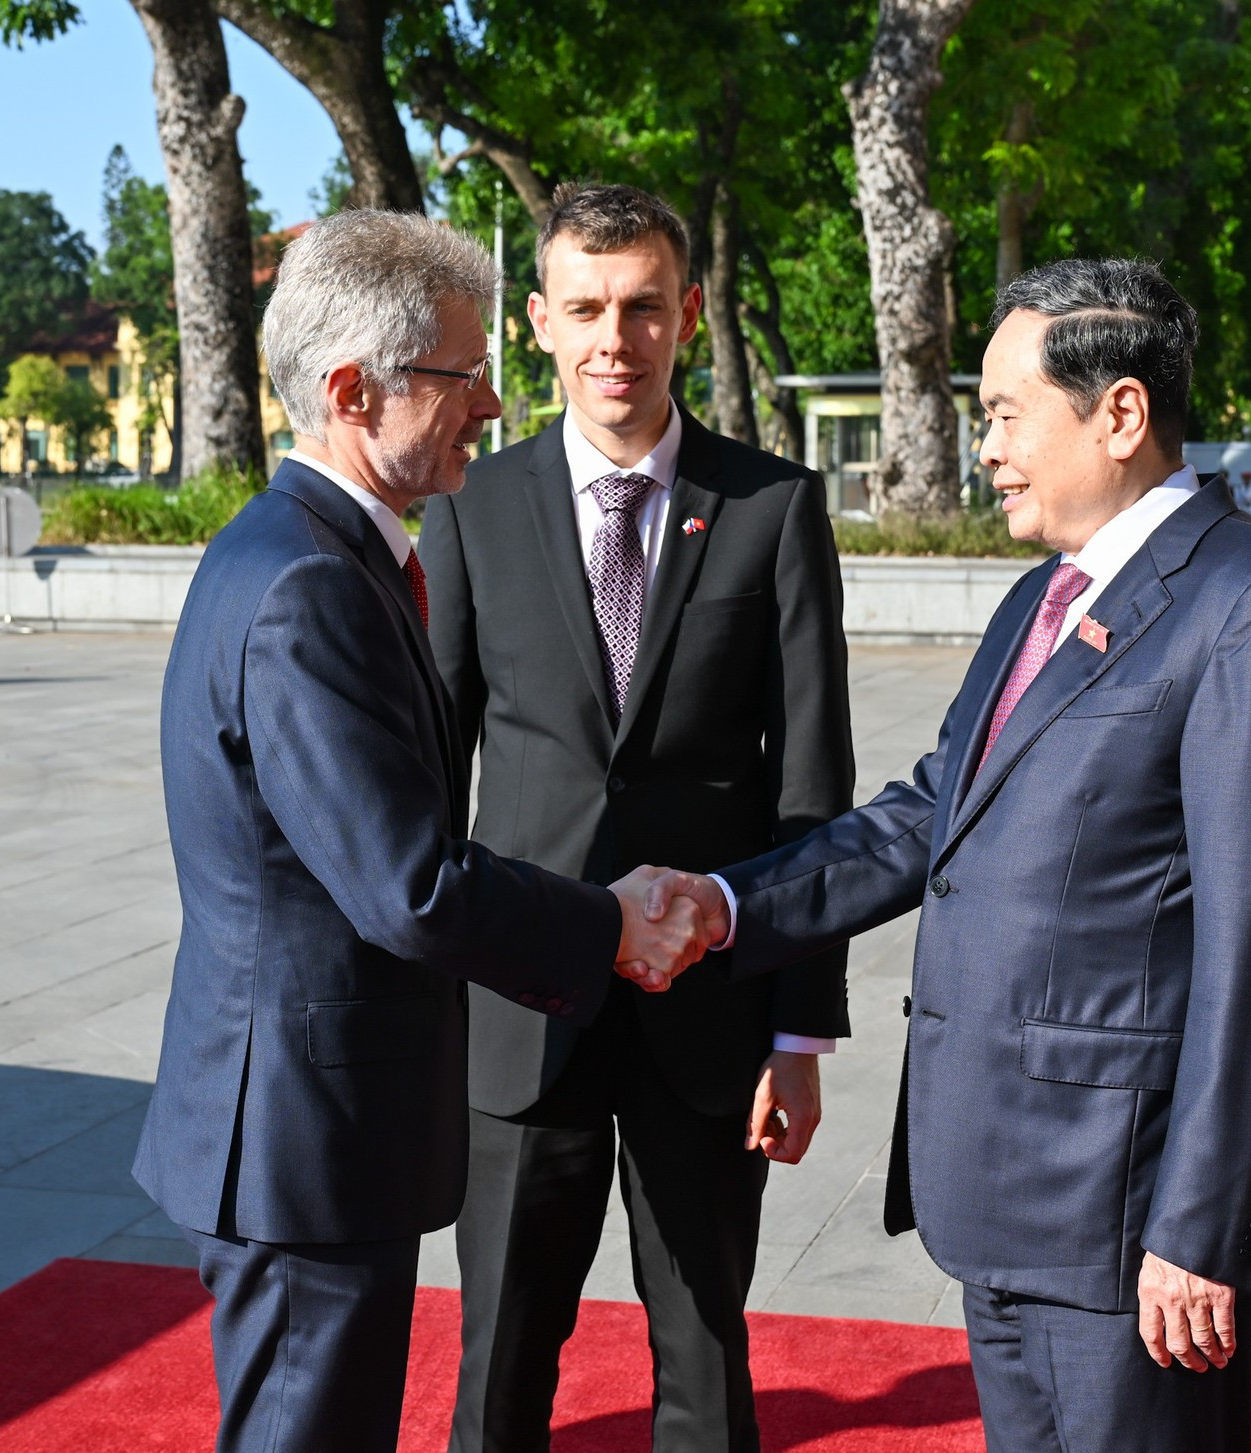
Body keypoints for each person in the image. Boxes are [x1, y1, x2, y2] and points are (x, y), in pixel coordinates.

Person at [645, 257, 1251, 1452]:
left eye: (1005, 414)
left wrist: (1204, 1222)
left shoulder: (1247, 599)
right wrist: (723, 903)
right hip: (1006, 1182)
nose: (987, 448)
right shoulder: (1041, 598)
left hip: (1126, 1213)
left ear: (1118, 412)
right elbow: (931, 814)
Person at [131, 210, 722, 1453]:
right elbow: (407, 884)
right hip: (302, 1138)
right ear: (355, 390)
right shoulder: (309, 586)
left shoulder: (310, 552)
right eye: (462, 376)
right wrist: (606, 920)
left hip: (318, 1127)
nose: (497, 404)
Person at [420, 183, 856, 1453]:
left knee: (705, 1358)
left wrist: (799, 1031)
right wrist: (427, 1005)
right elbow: (434, 775)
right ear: (542, 325)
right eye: (588, 309)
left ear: (689, 315)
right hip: (520, 1012)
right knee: (497, 1357)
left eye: (645, 307)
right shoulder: (468, 504)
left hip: (709, 1019)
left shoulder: (774, 508)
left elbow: (810, 794)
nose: (617, 337)